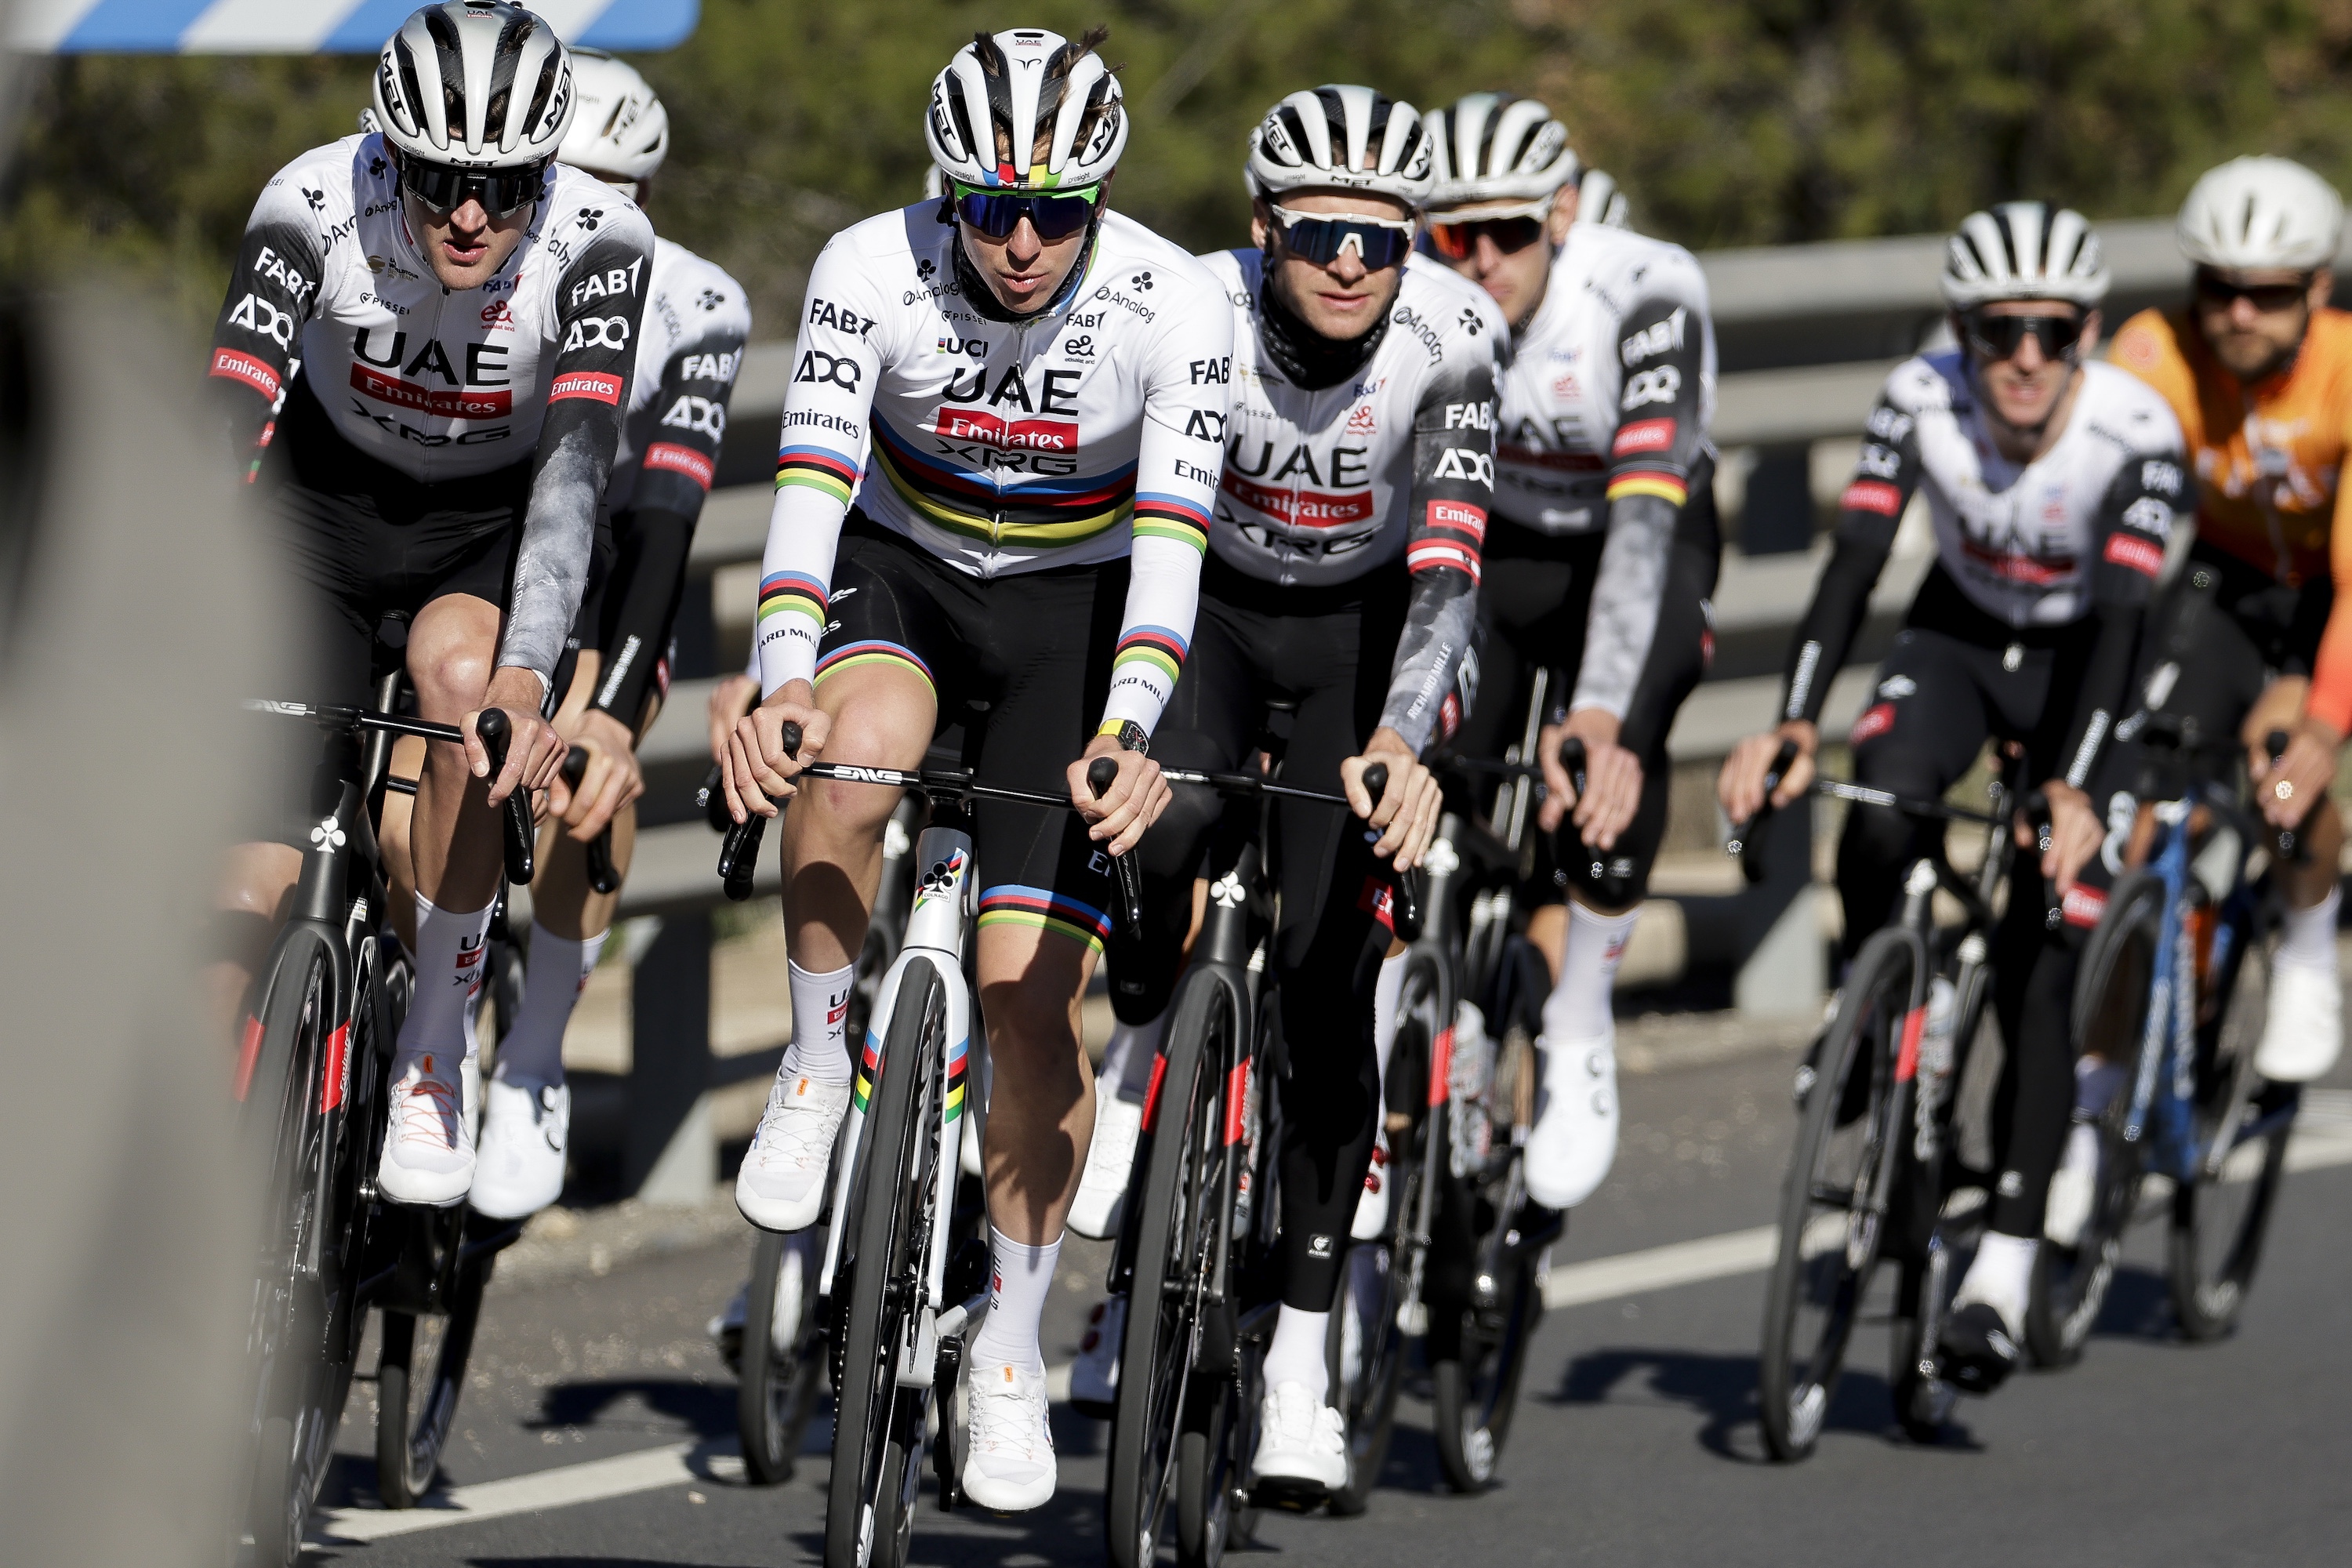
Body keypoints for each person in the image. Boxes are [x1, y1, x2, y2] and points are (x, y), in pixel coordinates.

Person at [717, 27, 1232, 1512]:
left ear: (1099, 203)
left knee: (1026, 1005)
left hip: (1079, 610)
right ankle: (819, 1057)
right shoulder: (868, 267)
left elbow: (1172, 553)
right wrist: (782, 678)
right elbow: (810, 487)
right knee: (851, 755)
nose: (1019, 243)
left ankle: (1006, 1344)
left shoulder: (1174, 304)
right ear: (947, 192)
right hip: (907, 572)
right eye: (991, 208)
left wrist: (1128, 730)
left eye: (1055, 214)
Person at [1066, 85, 1495, 1493]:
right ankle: (1140, 1046)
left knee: (1327, 978)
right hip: (1212, 614)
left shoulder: (1453, 340)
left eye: (1385, 238)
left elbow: (1450, 580)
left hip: (1369, 640)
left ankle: (1303, 1363)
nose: (1353, 263)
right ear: (1263, 227)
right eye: (1320, 234)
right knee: (1162, 821)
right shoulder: (1193, 306)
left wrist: (1407, 742)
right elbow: (1130, 521)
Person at [1716, 202, 2190, 1393]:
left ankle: (2005, 1274)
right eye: (1996, 331)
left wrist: (2073, 787)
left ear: (2087, 333)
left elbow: (2124, 625)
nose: (2024, 357)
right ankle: (1878, 1006)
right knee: (1881, 805)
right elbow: (1855, 562)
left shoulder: (2137, 430)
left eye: (2051, 331)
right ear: (1960, 331)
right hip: (1963, 637)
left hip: (2091, 666)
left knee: (2046, 944)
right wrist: (1794, 717)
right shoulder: (1918, 397)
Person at [205, 2, 652, 1208]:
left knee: (466, 690)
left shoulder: (603, 241)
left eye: (505, 189)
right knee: (235, 898)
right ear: (387, 153)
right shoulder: (308, 203)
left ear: (546, 172)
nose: (469, 215)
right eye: (440, 179)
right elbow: (227, 422)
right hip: (320, 514)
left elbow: (574, 477)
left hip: (490, 523)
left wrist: (527, 676)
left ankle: (435, 1050)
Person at [463, 50, 753, 1219]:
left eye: (613, 193)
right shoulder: (480, 262)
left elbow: (667, 523)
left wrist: (611, 714)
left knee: (591, 761)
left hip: (606, 567)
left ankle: (534, 1057)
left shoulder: (697, 303)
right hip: (475, 542)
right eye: (562, 183)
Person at [1420, 91, 1720, 1213]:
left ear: (1560, 214)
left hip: (1635, 538)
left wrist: (1599, 710)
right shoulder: (1418, 286)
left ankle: (1583, 1020)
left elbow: (1643, 527)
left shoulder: (1645, 291)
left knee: (1612, 751)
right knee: (1434, 752)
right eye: (1456, 233)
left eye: (1507, 230)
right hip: (1498, 542)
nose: (1481, 259)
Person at [2098, 156, 2349, 1102]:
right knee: (2141, 801)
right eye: (2219, 288)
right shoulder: (2155, 351)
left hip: (2326, 593)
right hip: (2221, 578)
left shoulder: (2346, 371)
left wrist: (2322, 734)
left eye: (2270, 294)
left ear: (2316, 288)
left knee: (2281, 766)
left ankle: (2309, 945)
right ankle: (2116, 1066)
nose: (2239, 314)